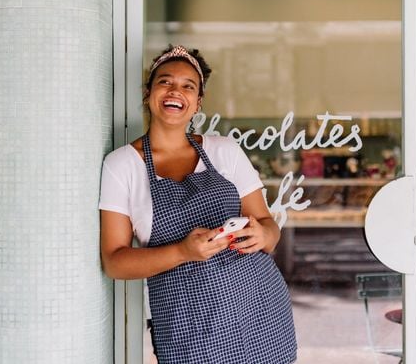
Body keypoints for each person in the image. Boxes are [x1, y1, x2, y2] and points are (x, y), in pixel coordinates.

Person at [99, 45, 297, 363]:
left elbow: (268, 225)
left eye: (188, 85)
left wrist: (264, 236)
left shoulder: (225, 151)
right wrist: (183, 252)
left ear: (198, 103)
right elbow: (114, 261)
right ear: (148, 92)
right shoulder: (121, 165)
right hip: (186, 325)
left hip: (258, 310)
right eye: (165, 81)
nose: (176, 90)